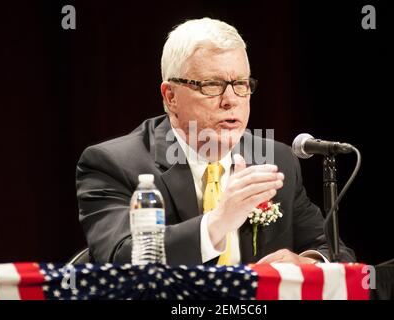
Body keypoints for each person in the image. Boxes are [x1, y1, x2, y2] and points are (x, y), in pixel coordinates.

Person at [76, 17, 355, 265]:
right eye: (212, 85)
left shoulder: (276, 160)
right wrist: (218, 222)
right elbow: (122, 258)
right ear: (170, 96)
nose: (230, 100)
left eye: (241, 84)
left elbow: (334, 251)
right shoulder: (114, 164)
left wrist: (306, 262)